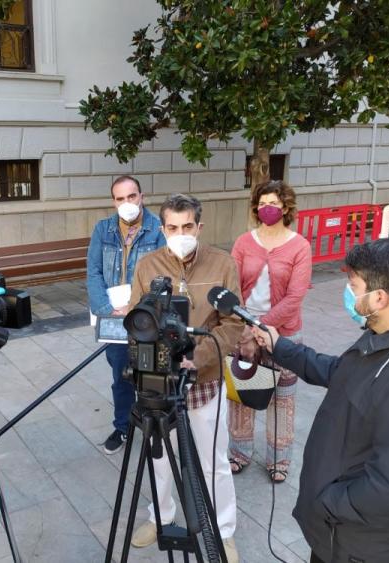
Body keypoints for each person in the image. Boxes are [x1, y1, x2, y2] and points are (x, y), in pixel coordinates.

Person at [251, 238, 389, 563]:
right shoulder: (385, 336)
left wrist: (327, 501)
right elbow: (341, 372)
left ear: (379, 298)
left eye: (353, 284)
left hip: (362, 546)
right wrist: (280, 347)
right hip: (338, 534)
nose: (347, 291)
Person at [128, 194, 243, 563]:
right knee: (159, 458)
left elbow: (233, 323)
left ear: (199, 227)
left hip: (205, 381)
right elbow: (136, 318)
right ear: (162, 229)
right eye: (173, 228)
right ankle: (161, 517)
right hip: (159, 383)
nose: (181, 234)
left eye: (187, 226)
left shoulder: (223, 264)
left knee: (214, 460)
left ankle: (222, 531)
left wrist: (199, 355)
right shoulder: (147, 265)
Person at [228, 181, 312, 483]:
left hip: (284, 333)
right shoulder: (243, 242)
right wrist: (247, 328)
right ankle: (239, 452)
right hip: (243, 330)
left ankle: (279, 459)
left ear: (286, 207)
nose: (268, 208)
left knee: (282, 398)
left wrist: (262, 328)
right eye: (262, 202)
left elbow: (295, 297)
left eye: (274, 203)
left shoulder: (299, 246)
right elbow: (232, 286)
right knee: (242, 395)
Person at [87, 175, 165, 454]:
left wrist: (136, 307)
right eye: (120, 198)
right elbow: (93, 272)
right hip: (112, 318)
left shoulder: (158, 228)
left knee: (150, 373)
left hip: (146, 315)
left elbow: (162, 275)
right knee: (121, 374)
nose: (126, 203)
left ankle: (153, 428)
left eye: (131, 196)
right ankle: (123, 427)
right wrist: (107, 311)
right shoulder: (103, 229)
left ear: (142, 197)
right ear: (113, 201)